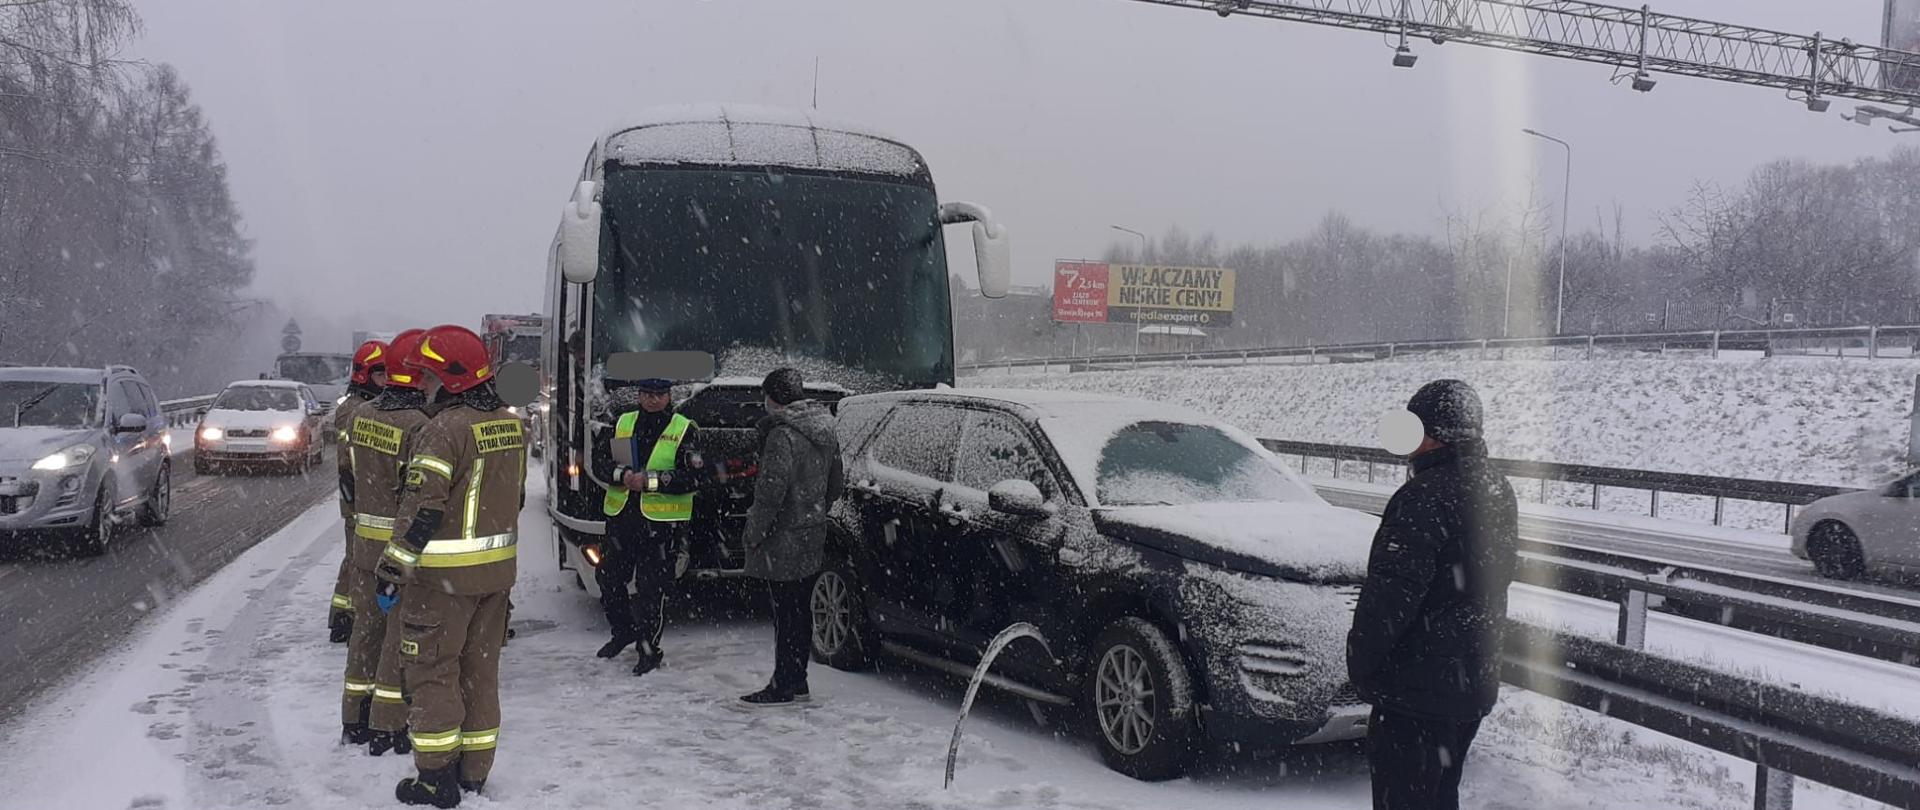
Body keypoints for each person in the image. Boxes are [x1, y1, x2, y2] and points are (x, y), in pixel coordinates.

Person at [1347, 379, 1518, 810]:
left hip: (1416, 694)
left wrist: (1361, 664)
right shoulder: (1496, 488)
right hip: (1469, 686)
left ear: (1432, 432)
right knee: (1441, 796)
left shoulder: (1423, 497)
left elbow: (1390, 599)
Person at [376, 325, 526, 807]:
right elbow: (516, 497)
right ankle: (474, 772)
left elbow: (422, 509)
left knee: (431, 672)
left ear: (451, 378)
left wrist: (393, 567)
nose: (422, 385)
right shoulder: (509, 422)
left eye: (428, 375)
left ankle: (435, 778)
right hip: (496, 577)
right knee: (481, 672)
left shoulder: (442, 430)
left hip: (441, 582)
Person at [589, 376, 723, 675]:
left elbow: (697, 477)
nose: (652, 400)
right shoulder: (623, 423)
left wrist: (652, 481)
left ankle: (649, 650)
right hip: (622, 519)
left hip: (660, 526)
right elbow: (599, 462)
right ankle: (623, 632)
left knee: (651, 591)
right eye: (646, 394)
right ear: (638, 395)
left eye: (658, 395)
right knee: (608, 579)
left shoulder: (683, 429)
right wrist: (621, 476)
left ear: (668, 397)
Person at [340, 329, 431, 756]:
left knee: (365, 632)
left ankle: (353, 715)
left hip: (363, 544)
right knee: (397, 640)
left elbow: (350, 479)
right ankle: (387, 726)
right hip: (398, 551)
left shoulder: (362, 416)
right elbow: (418, 495)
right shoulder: (418, 426)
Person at [737, 368, 842, 707]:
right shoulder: (825, 428)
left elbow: (770, 494)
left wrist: (754, 533)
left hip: (782, 540)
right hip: (812, 533)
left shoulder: (782, 436)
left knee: (785, 614)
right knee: (800, 612)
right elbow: (836, 484)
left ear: (774, 399)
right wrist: (814, 511)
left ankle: (783, 683)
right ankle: (798, 679)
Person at [330, 340, 389, 644]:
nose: (386, 382)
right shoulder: (353, 410)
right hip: (358, 498)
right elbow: (348, 462)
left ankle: (344, 613)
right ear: (365, 376)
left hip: (363, 496)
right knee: (356, 559)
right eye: (381, 376)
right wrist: (353, 501)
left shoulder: (368, 407)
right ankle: (343, 618)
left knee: (355, 558)